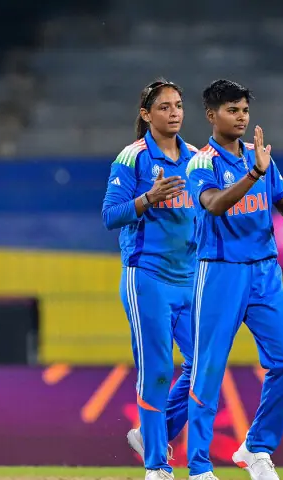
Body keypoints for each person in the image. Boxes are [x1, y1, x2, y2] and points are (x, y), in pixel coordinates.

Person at [185, 79, 283, 480]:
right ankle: (198, 468)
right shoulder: (202, 163)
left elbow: (282, 200)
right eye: (232, 110)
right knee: (208, 367)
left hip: (265, 270)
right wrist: (252, 173)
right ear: (212, 116)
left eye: (245, 110)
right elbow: (213, 205)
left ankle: (257, 448)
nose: (241, 117)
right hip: (220, 271)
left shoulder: (258, 156)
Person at [102, 79, 198, 480]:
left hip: (192, 276)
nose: (174, 112)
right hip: (148, 276)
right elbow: (110, 215)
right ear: (146, 115)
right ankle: (157, 466)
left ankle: (152, 436)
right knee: (158, 368)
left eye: (178, 105)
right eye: (164, 107)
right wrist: (148, 199)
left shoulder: (197, 158)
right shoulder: (133, 158)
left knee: (205, 365)